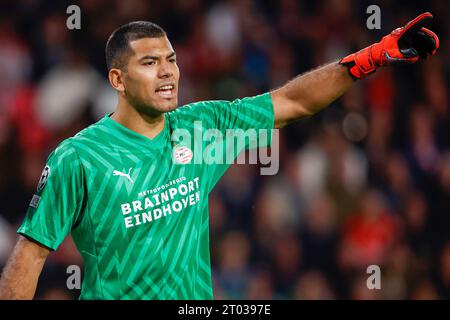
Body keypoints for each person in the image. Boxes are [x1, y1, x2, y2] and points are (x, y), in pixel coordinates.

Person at [0, 12, 439, 299]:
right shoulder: (79, 158)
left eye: (170, 59)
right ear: (117, 78)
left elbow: (291, 103)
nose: (168, 70)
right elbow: (30, 256)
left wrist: (367, 59)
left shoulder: (202, 127)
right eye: (150, 63)